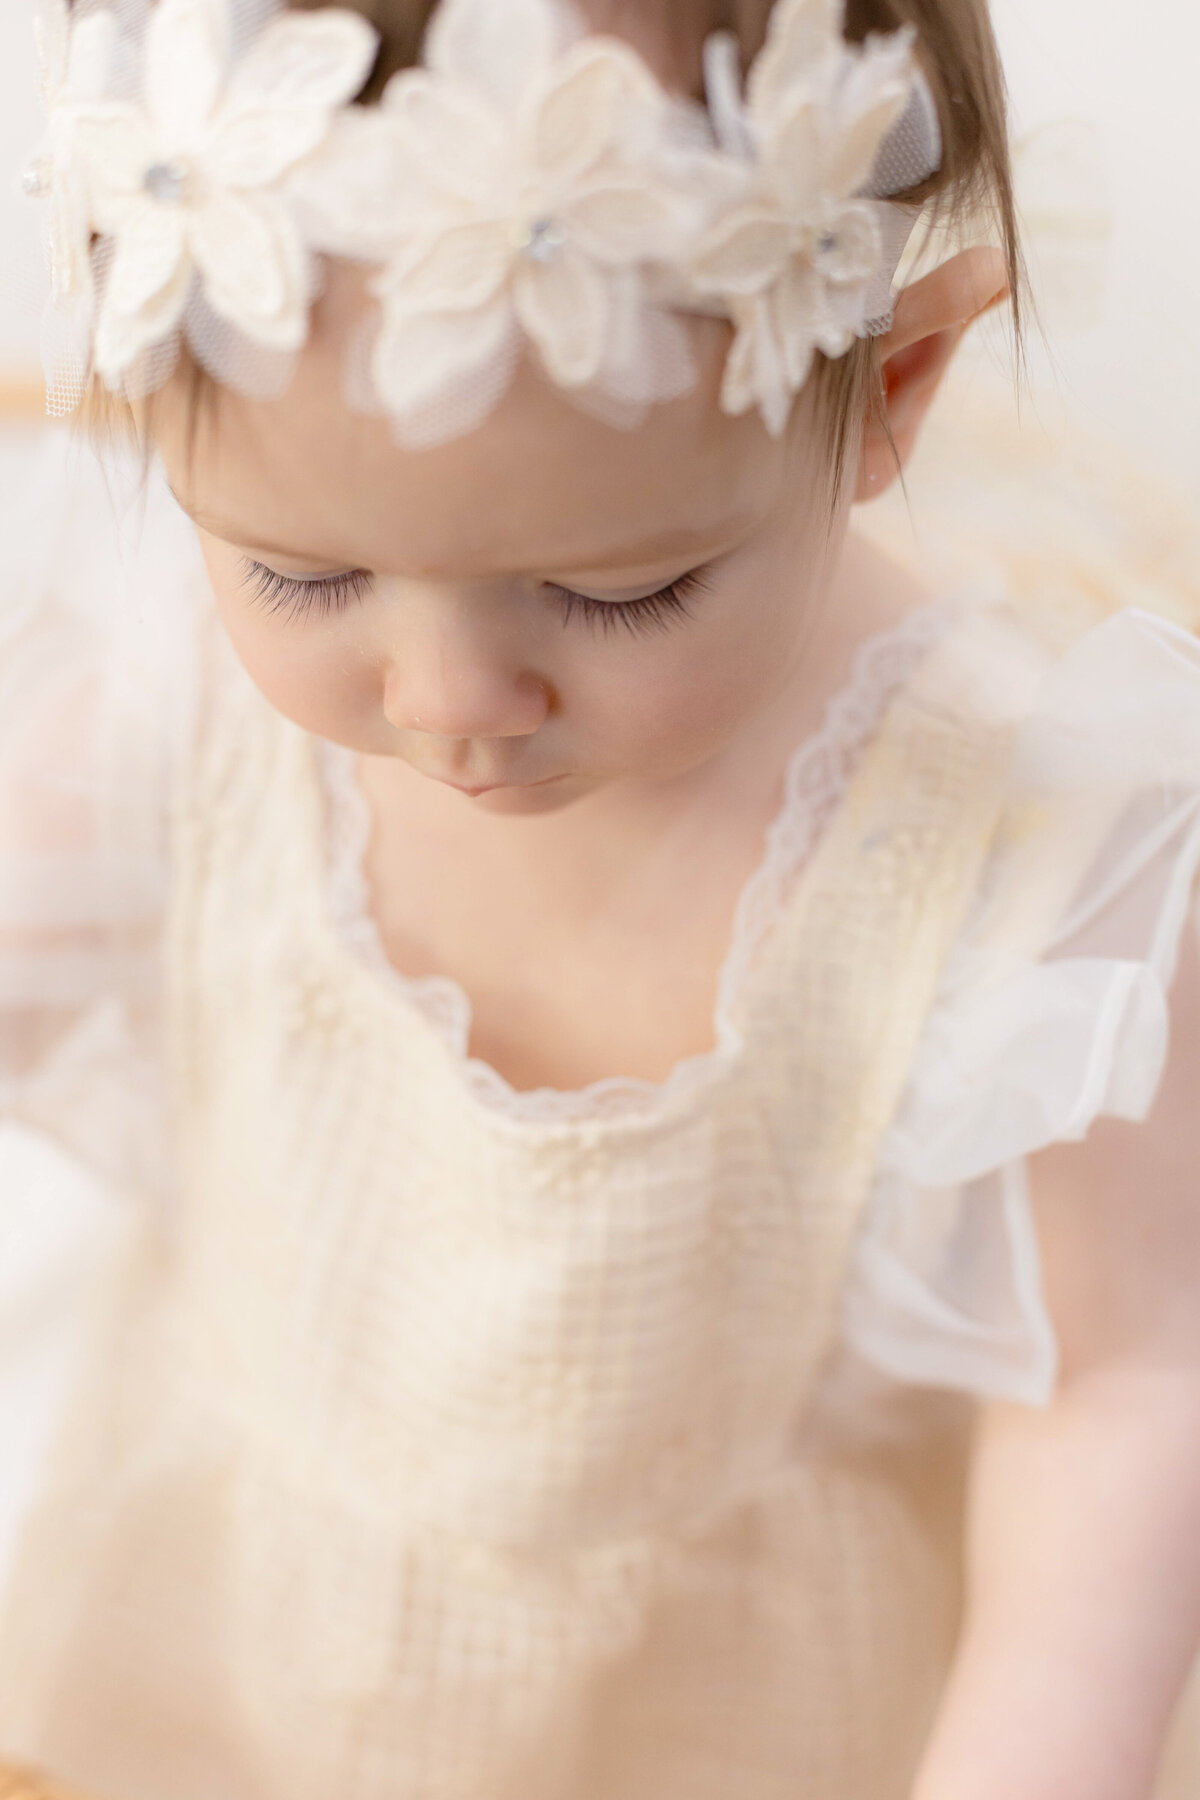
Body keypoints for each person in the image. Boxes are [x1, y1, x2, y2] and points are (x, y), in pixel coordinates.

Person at [2, 0, 1200, 1796]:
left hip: (734, 1715)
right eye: (304, 575)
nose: (445, 699)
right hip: (232, 1642)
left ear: (895, 386)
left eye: (620, 592)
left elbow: (1125, 1384)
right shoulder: (173, 696)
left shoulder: (1014, 859)